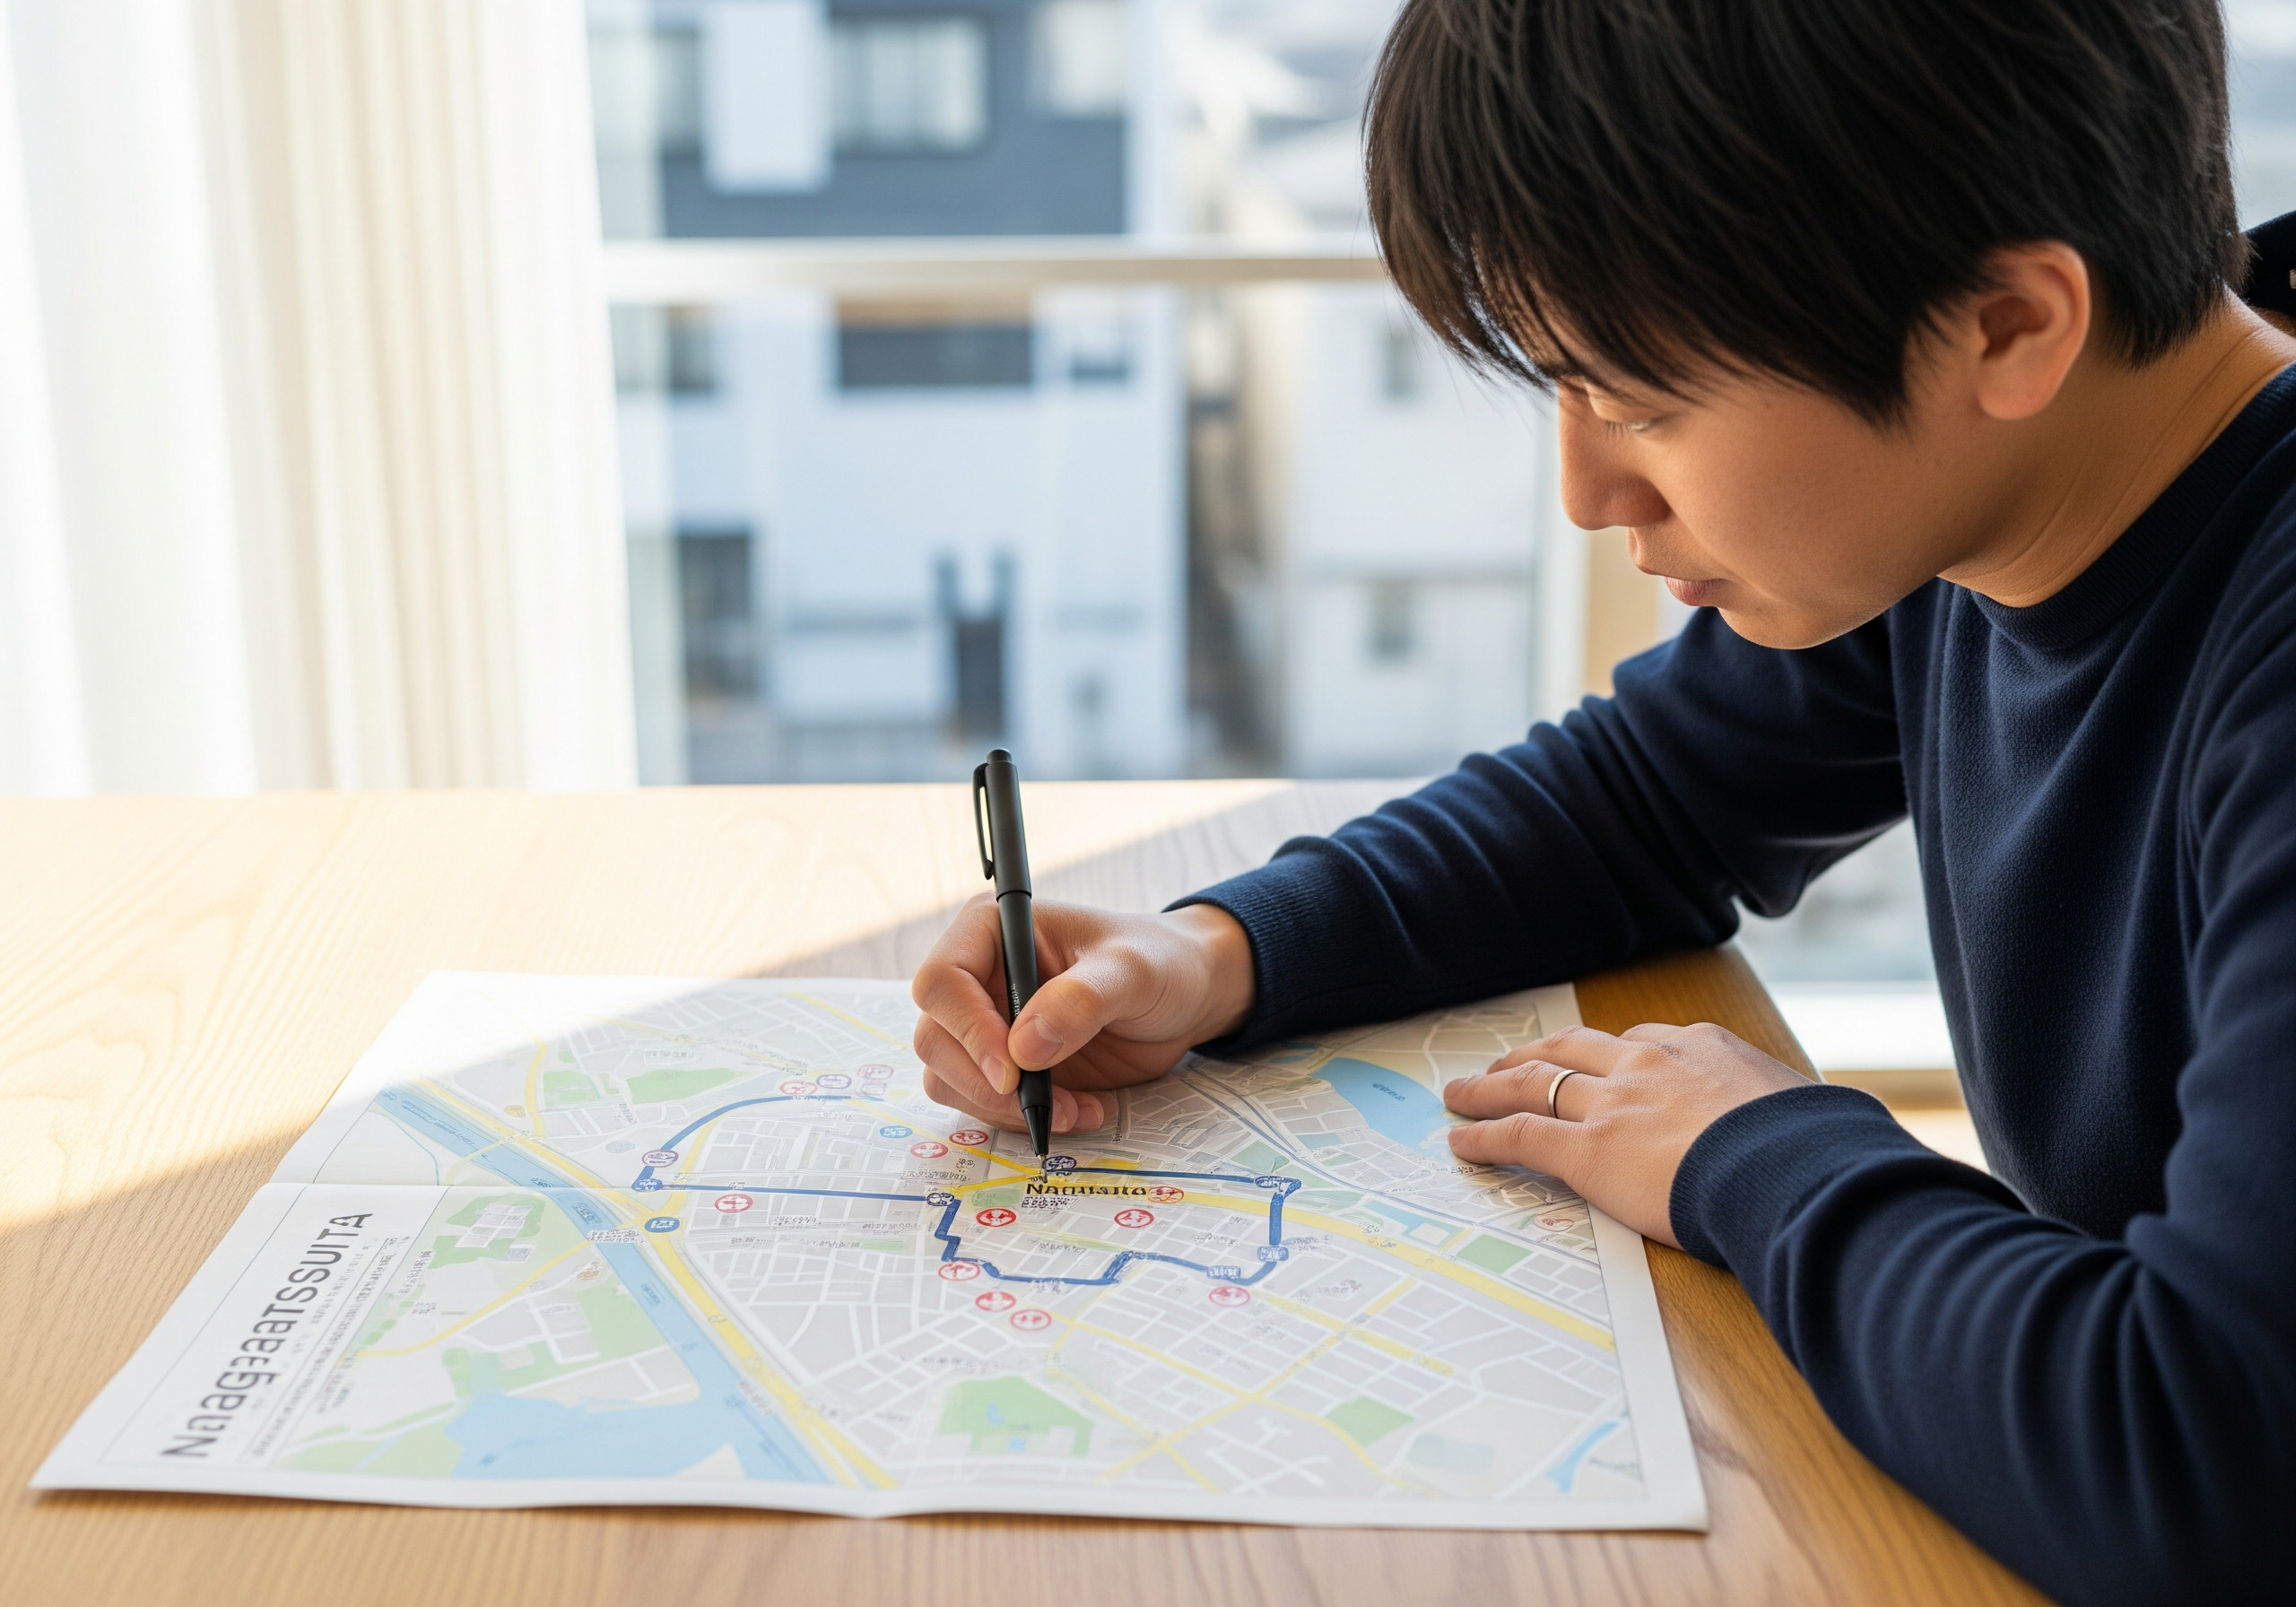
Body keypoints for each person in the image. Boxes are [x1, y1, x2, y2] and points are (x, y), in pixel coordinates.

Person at [909, 1, 2296, 1599]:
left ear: (2006, 328)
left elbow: (2198, 1460)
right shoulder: (2022, 478)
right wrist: (1218, 954)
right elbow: (1642, 799)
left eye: (1639, 397)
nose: (1588, 493)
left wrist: (1754, 1148)